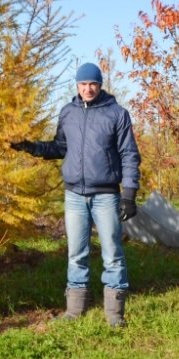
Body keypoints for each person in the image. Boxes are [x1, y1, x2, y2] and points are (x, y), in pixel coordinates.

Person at [10, 62, 141, 327]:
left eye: (92, 84)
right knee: (76, 253)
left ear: (100, 84)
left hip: (106, 195)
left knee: (112, 253)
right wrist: (30, 147)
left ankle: (115, 315)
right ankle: (74, 311)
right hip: (74, 196)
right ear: (77, 85)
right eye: (83, 84)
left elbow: (129, 155)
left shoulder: (117, 114)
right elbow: (59, 147)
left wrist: (128, 194)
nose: (87, 89)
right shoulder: (67, 112)